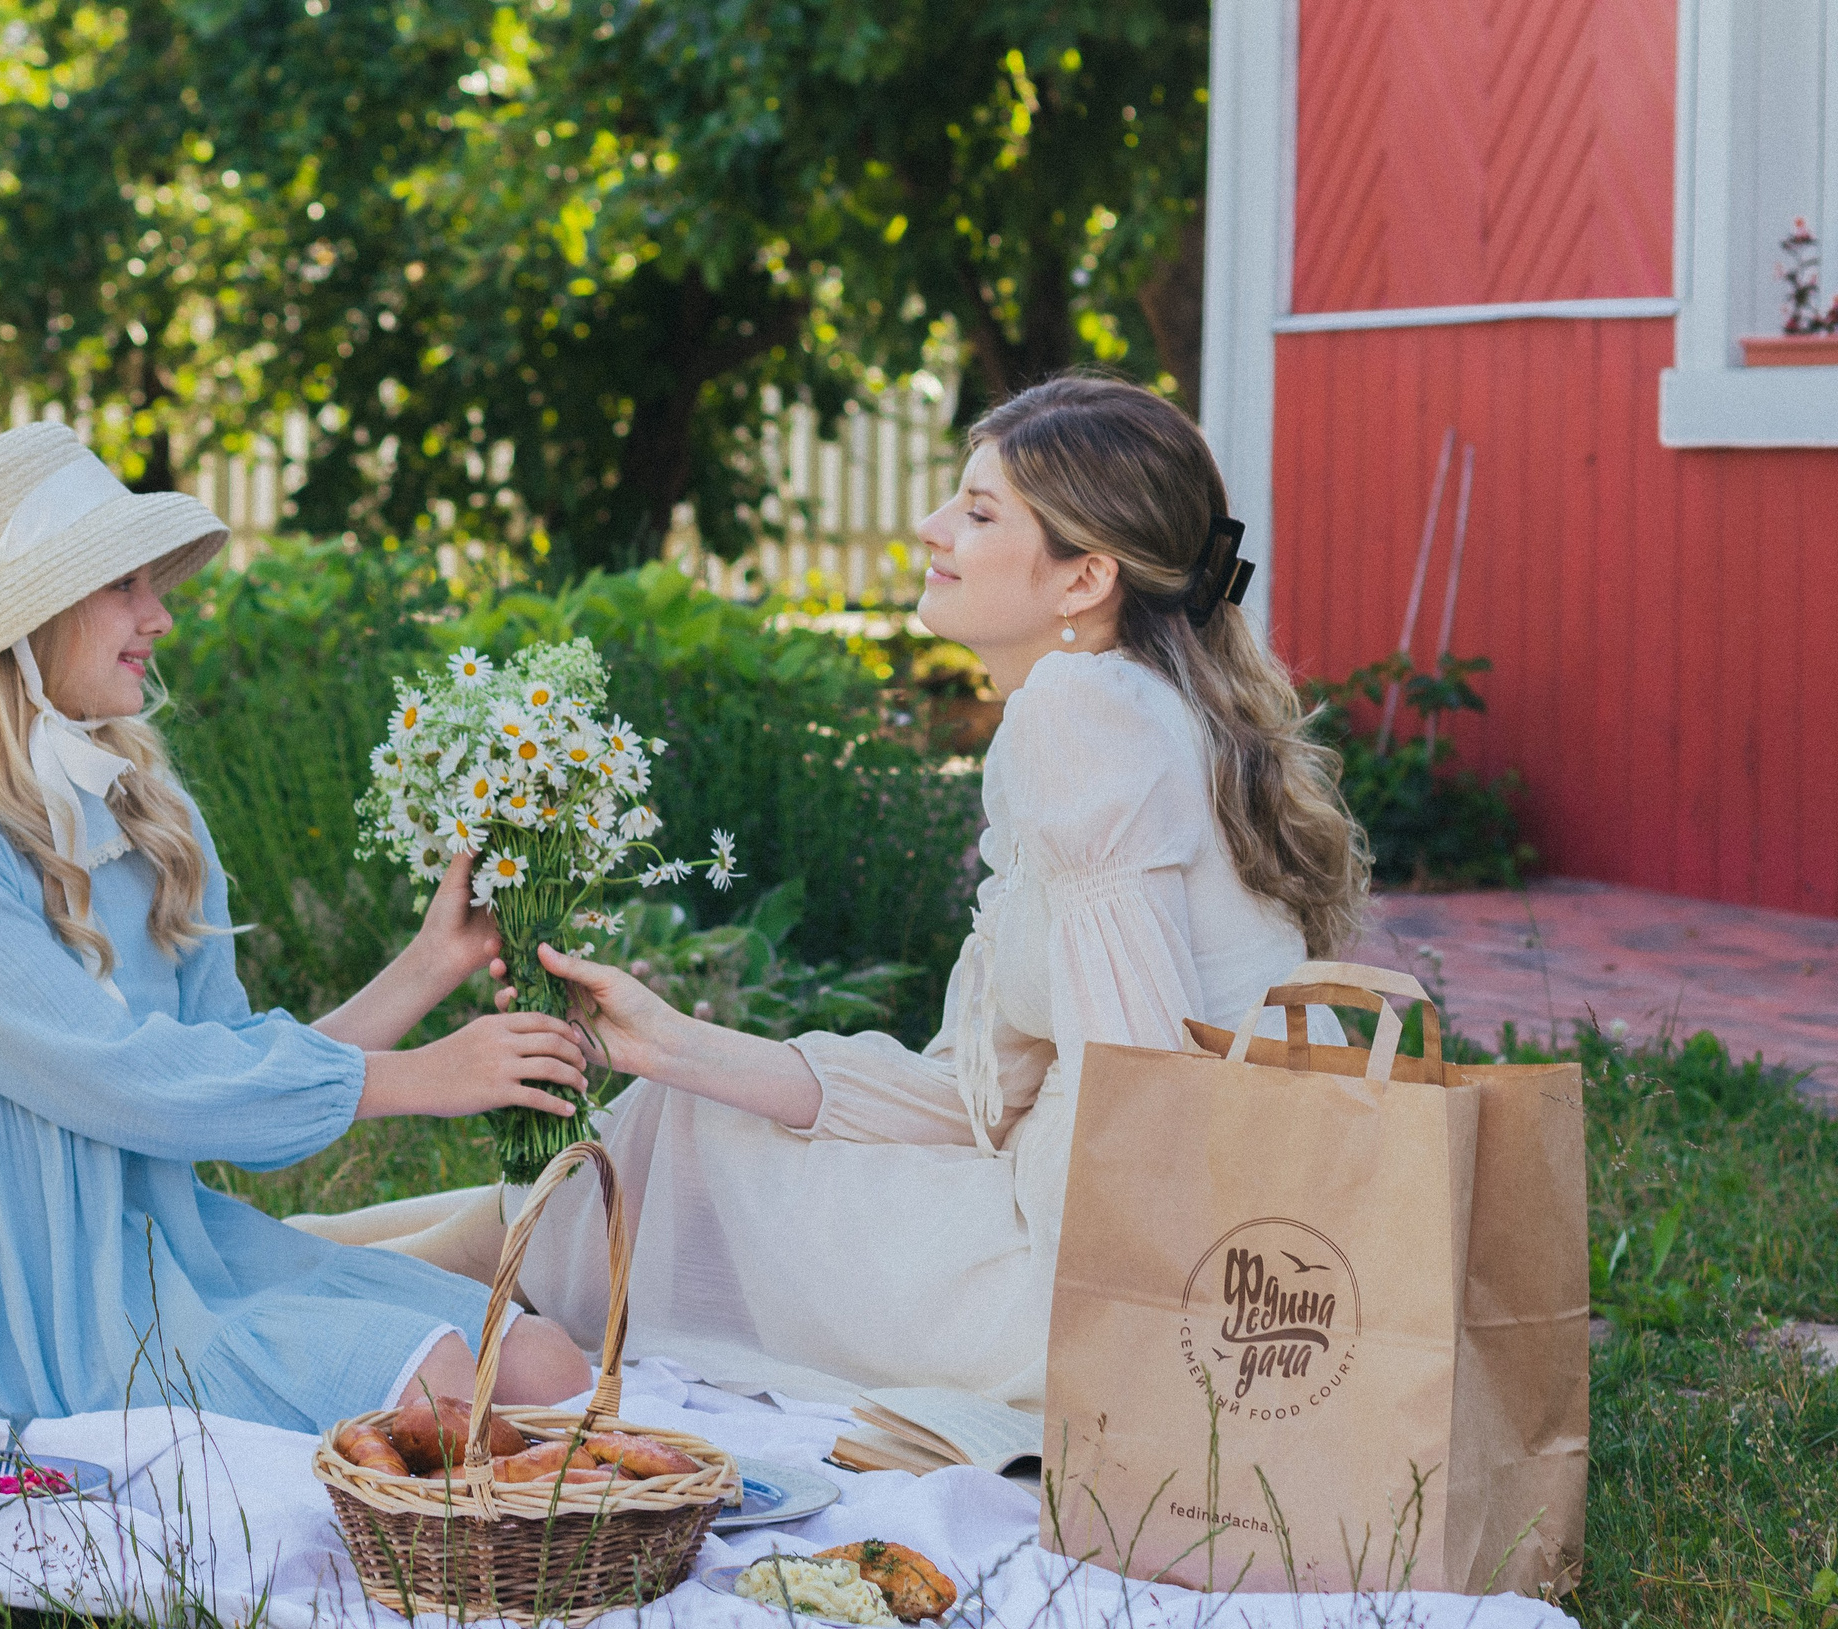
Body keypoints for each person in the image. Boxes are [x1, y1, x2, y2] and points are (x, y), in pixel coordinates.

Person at [295, 374, 1368, 1408]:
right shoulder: (1145, 711)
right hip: (1119, 1247)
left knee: (686, 1153)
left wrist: (1143, 1364)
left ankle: (266, 1274)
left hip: (1093, 1297)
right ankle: (273, 1258)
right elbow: (973, 1098)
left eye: (979, 511)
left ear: (1083, 579)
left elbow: (1145, 1104)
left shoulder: (1083, 717)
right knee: (682, 1112)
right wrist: (666, 1042)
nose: (932, 528)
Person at [0, 421, 591, 1429]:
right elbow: (131, 1084)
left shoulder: (141, 812)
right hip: (28, 1308)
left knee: (546, 1364)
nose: (159, 619)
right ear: (30, 621)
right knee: (443, 1388)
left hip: (171, 1253)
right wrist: (422, 1082)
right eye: (123, 587)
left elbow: (221, 1078)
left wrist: (430, 965)